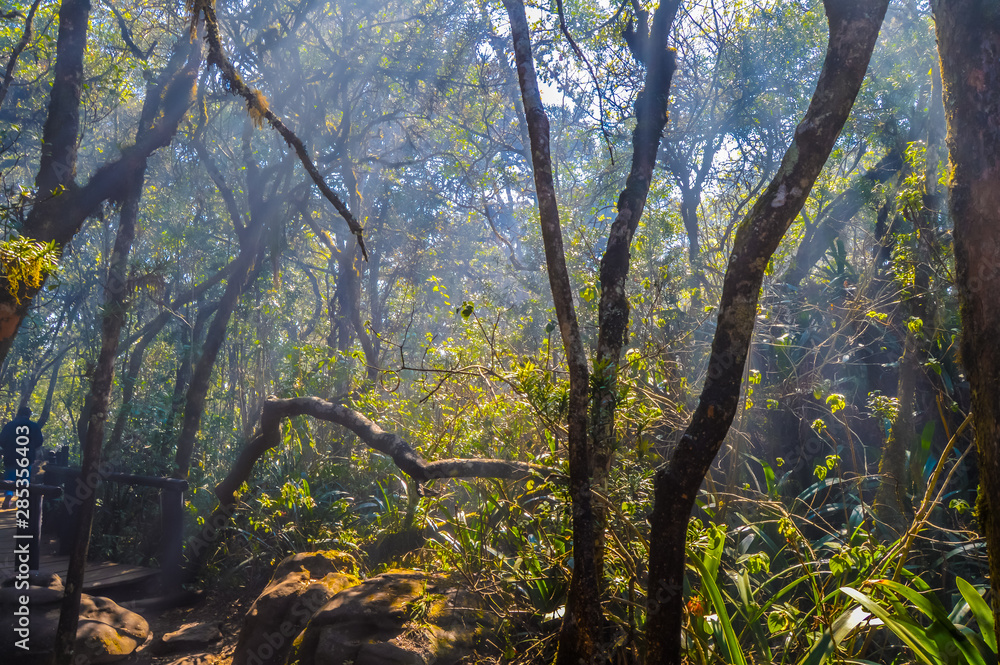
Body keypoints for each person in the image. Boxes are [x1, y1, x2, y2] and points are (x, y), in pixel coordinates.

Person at [1, 406, 44, 509]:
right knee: (25, 479)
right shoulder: (33, 426)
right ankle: (23, 501)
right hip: (26, 457)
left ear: (18, 414)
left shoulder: (9, 425)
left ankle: (8, 497)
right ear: (28, 415)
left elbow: (1, 440)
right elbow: (39, 442)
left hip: (10, 457)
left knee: (10, 479)